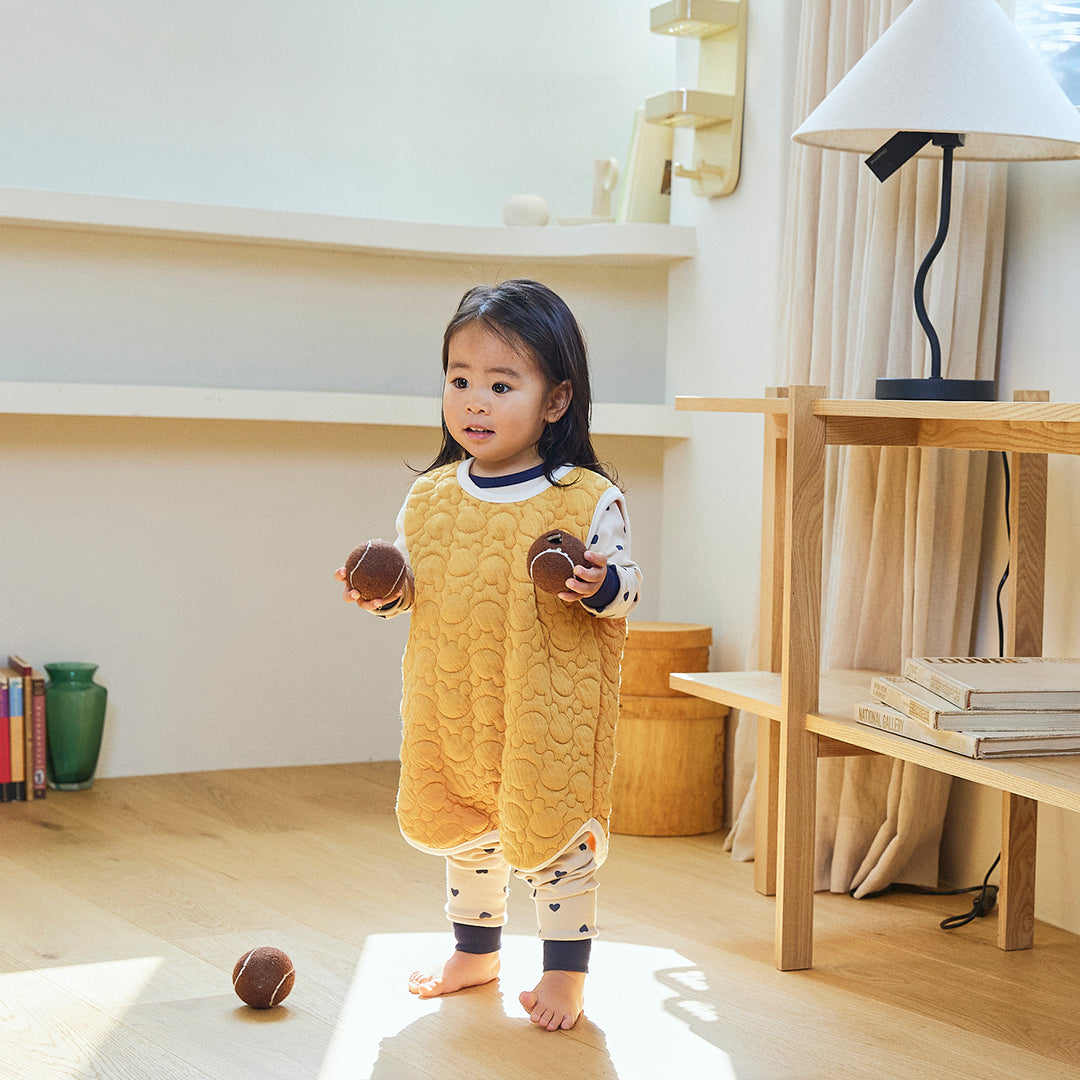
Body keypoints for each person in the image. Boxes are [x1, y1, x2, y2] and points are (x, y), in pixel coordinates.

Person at [336, 279, 642, 1031]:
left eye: (501, 384)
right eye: (460, 380)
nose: (474, 400)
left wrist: (598, 584)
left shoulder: (582, 497)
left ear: (555, 400)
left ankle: (564, 976)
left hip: (547, 710)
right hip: (460, 702)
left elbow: (626, 589)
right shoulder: (433, 497)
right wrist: (384, 593)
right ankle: (475, 954)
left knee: (552, 843)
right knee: (470, 834)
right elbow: (421, 584)